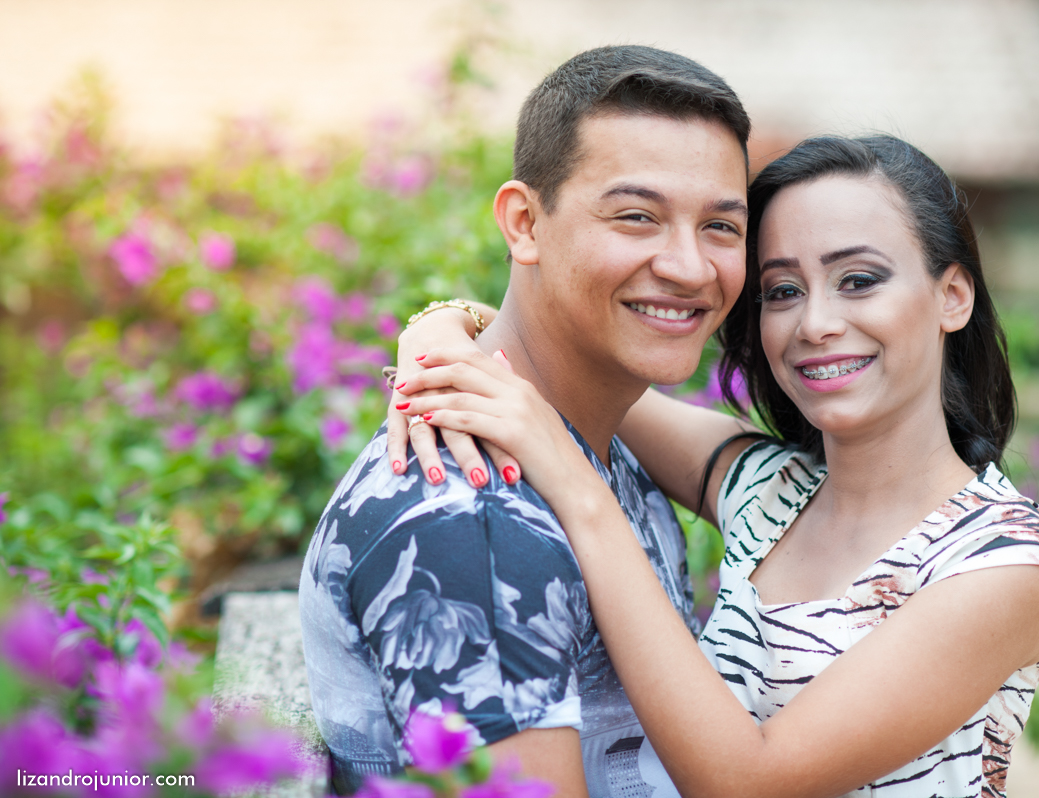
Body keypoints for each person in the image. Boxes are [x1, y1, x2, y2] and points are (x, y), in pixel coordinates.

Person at [389, 135, 1039, 797]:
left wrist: (576, 485)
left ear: (952, 296)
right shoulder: (768, 492)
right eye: (782, 291)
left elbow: (747, 781)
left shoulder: (1005, 563)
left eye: (859, 280)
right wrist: (440, 330)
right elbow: (554, 371)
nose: (815, 324)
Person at [298, 45, 753, 797]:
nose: (689, 266)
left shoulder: (587, 437)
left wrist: (444, 320)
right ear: (523, 222)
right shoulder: (476, 521)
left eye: (721, 228)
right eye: (636, 217)